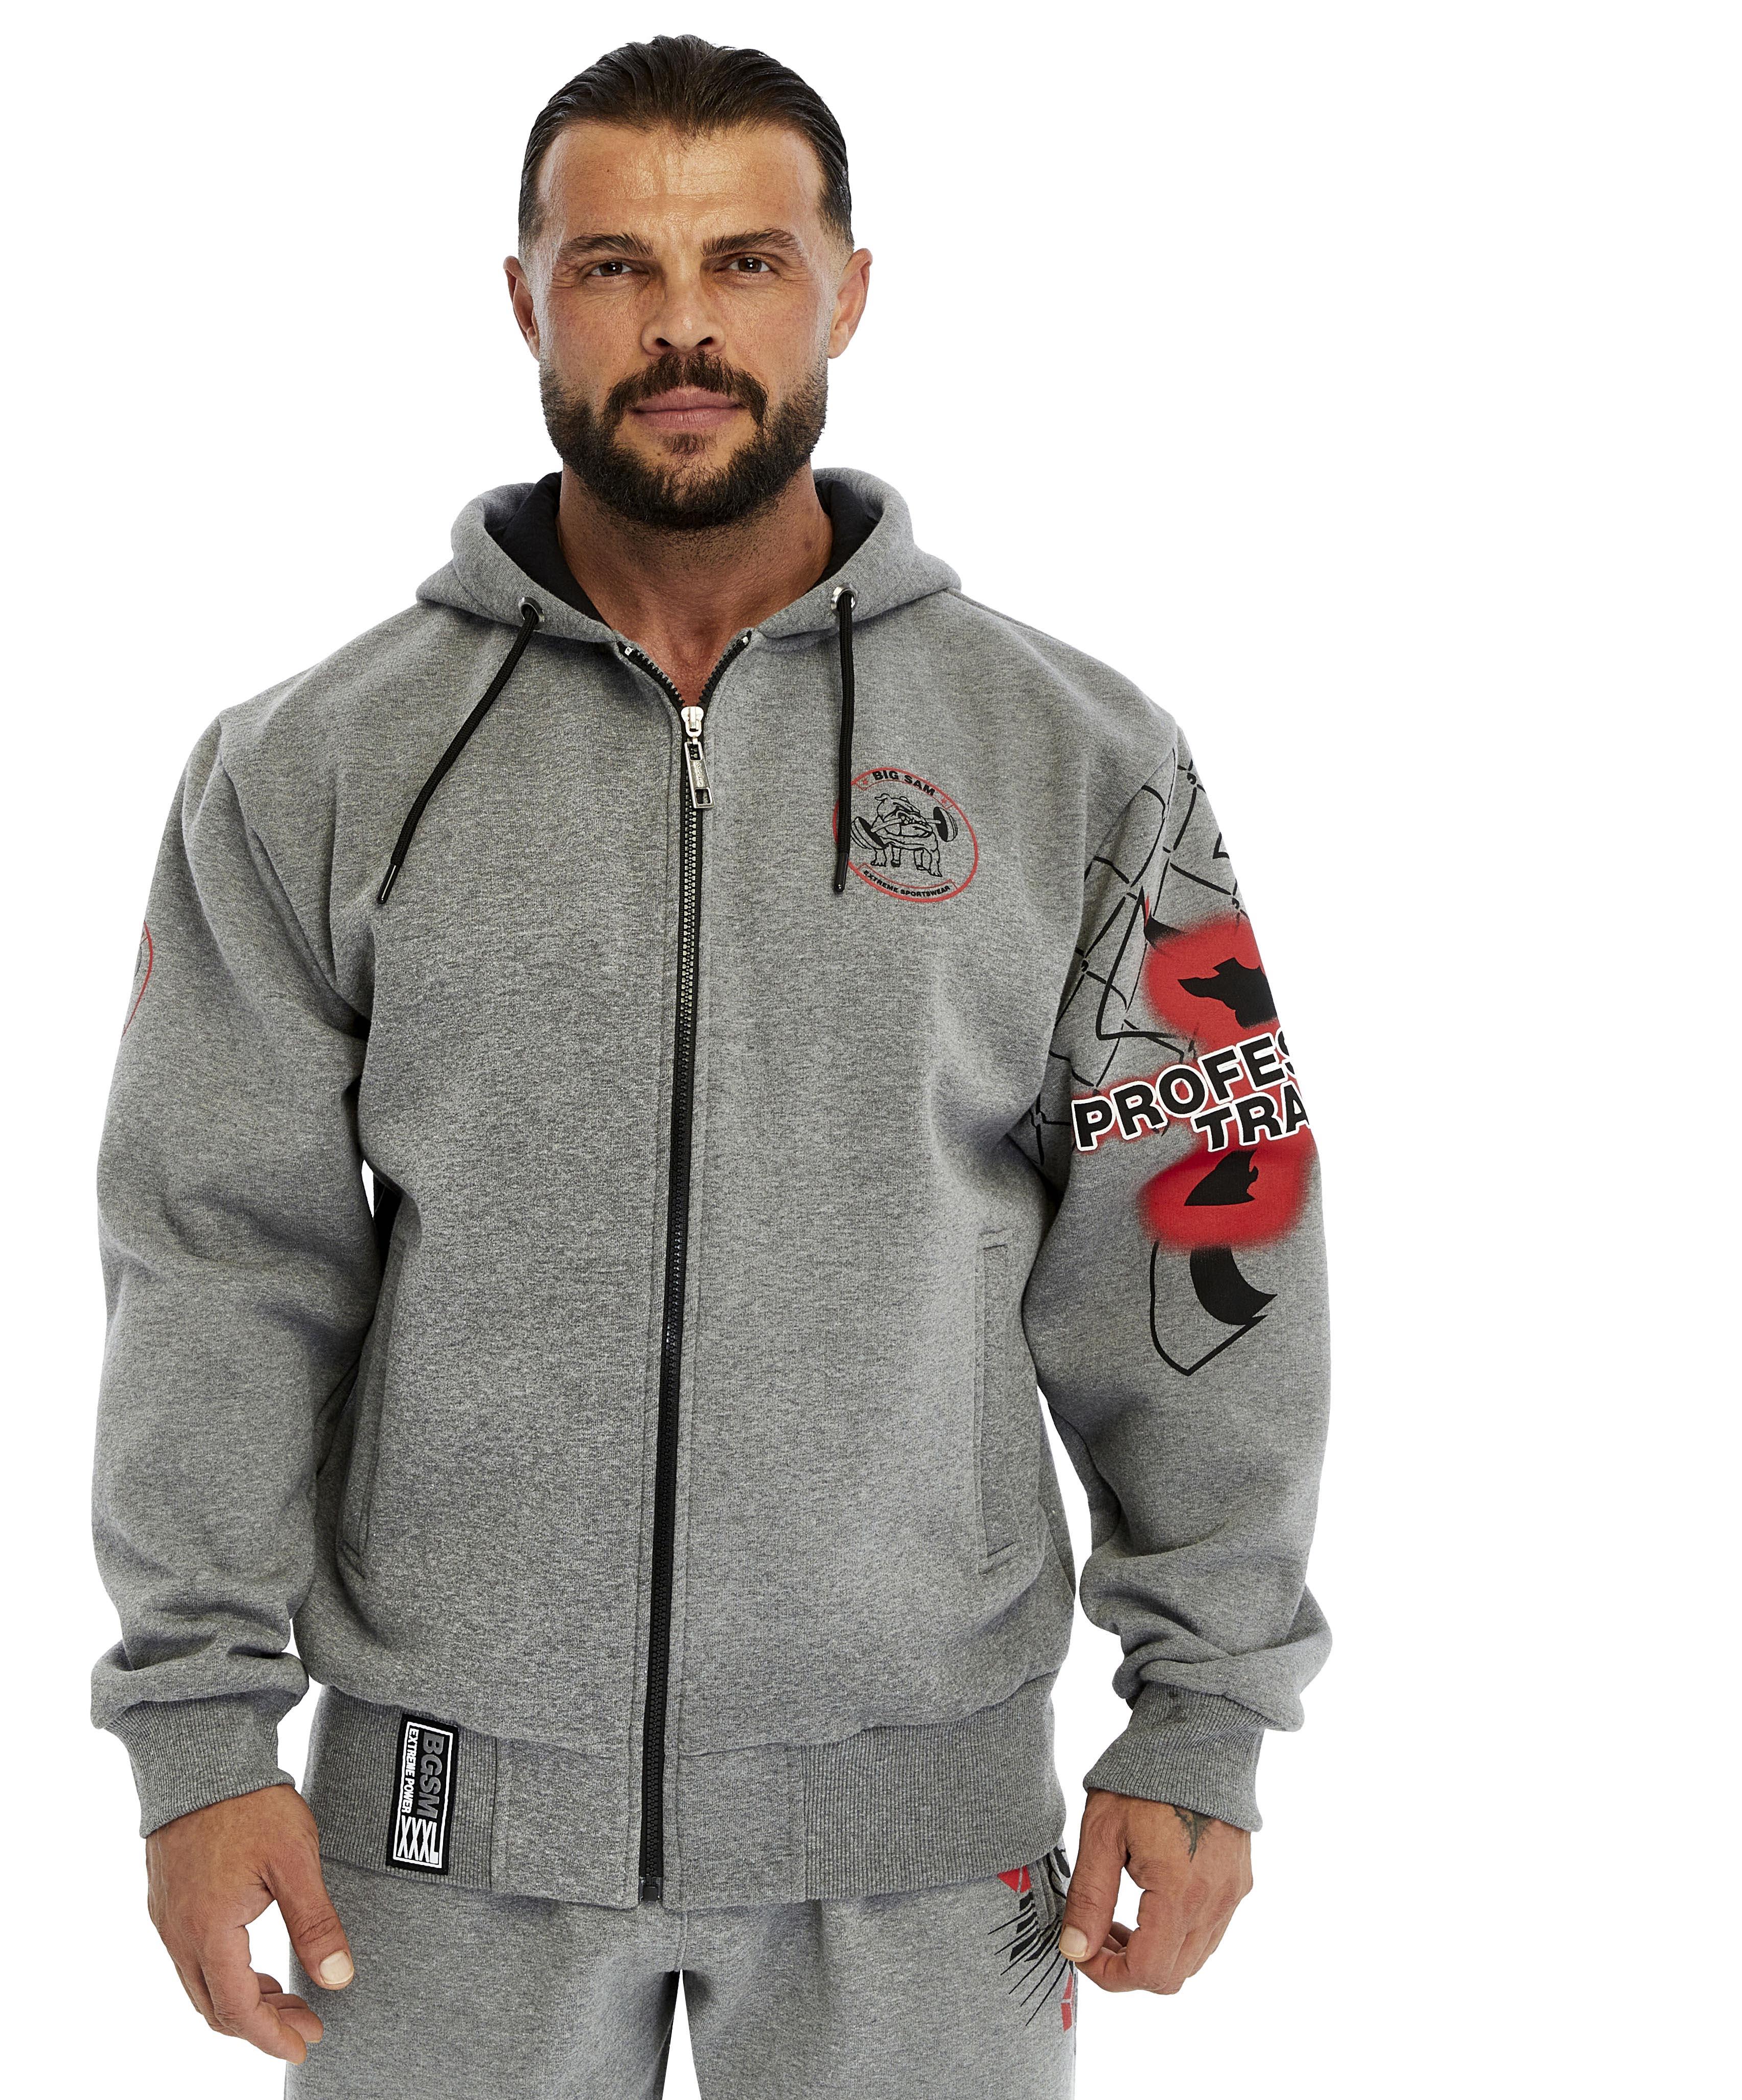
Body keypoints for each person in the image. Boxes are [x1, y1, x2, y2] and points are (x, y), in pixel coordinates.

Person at [90, 33, 1331, 2098]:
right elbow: (221, 1264)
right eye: (616, 267)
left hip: (926, 1838)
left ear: (848, 291)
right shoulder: (313, 769)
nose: (683, 327)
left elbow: (1201, 1228)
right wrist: (201, 1733)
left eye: (746, 261)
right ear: (525, 300)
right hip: (438, 1834)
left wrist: (1202, 1712)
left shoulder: (1079, 760)